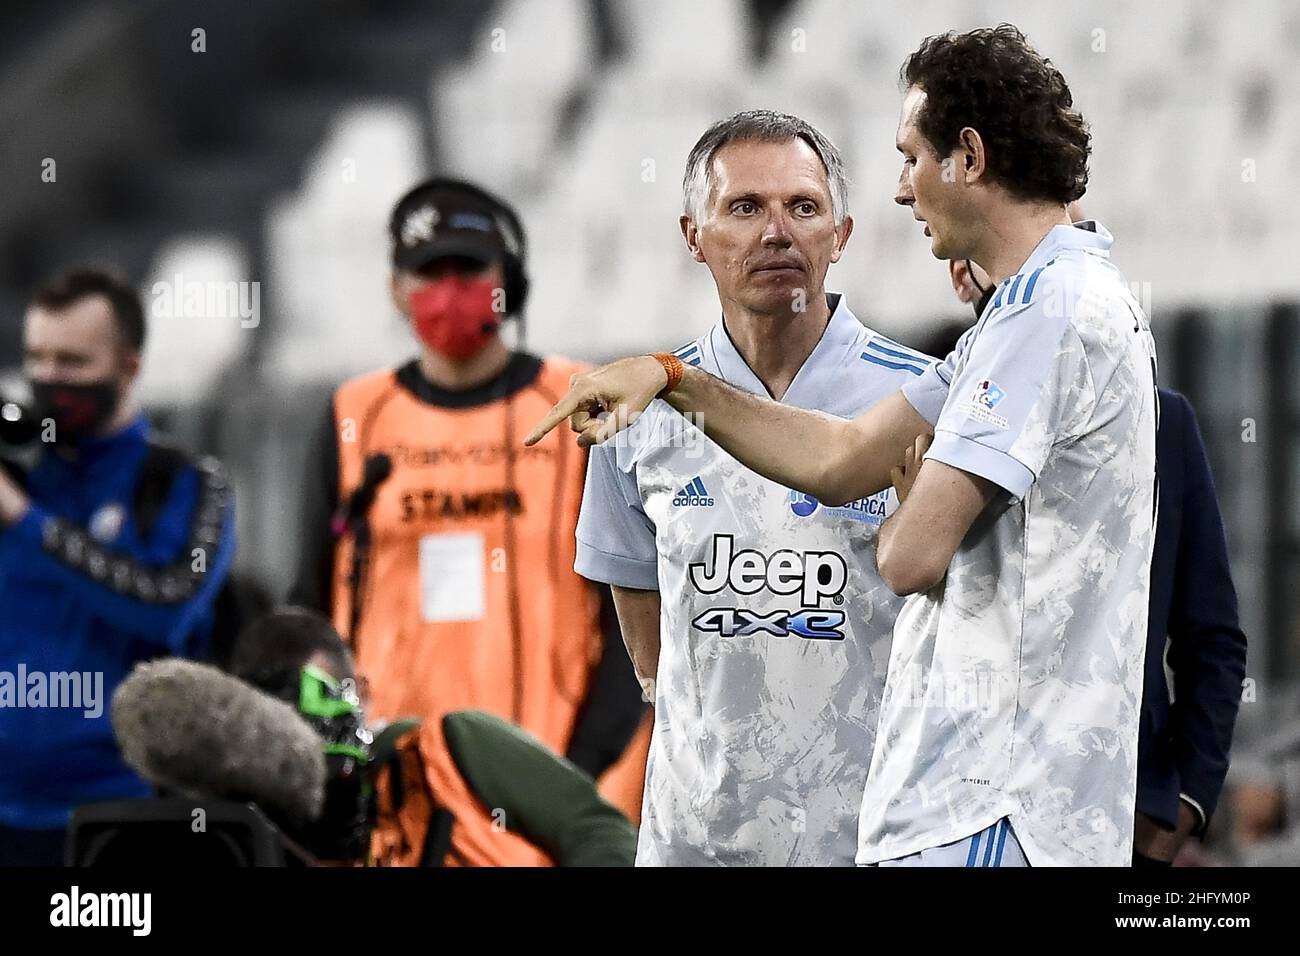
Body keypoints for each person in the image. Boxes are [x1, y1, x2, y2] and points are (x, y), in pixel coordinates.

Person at [529, 25, 1159, 867]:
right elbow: (841, 461)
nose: (904, 188)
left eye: (911, 157)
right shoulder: (1018, 316)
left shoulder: (1052, 314)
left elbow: (906, 559)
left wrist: (903, 525)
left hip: (1001, 808)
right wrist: (670, 380)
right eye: (745, 208)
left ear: (967, 157)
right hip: (912, 816)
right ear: (693, 233)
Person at [576, 110, 930, 865]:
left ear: (842, 235)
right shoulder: (637, 410)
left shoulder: (919, 401)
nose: (778, 232)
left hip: (873, 840)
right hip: (696, 844)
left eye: (804, 207)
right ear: (691, 235)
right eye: (745, 208)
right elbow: (643, 624)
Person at [290, 178, 648, 865]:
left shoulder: (581, 405)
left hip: (553, 800)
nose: (448, 290)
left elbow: (631, 615)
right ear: (397, 289)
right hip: (390, 804)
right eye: (429, 272)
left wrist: (567, 781)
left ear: (509, 282)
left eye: (468, 270)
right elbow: (308, 609)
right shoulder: (352, 418)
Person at [949, 253, 1248, 866]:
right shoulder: (936, 415)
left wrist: (1184, 802)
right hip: (961, 813)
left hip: (1119, 818)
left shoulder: (1164, 423)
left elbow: (1211, 634)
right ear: (961, 273)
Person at [0, 268, 236, 866]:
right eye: (37, 359)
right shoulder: (21, 471)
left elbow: (165, 605)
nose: (50, 378)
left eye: (73, 362)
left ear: (129, 367)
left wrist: (27, 522)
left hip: (127, 818)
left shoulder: (186, 481)